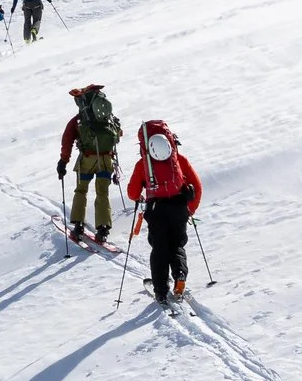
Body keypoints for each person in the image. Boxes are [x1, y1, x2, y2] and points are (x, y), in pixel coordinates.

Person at [125, 119, 203, 302]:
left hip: (156, 210)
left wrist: (141, 195)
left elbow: (132, 193)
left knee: (160, 249)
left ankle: (160, 290)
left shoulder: (143, 164)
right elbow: (197, 186)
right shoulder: (179, 160)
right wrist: (189, 210)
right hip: (179, 208)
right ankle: (180, 276)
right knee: (176, 245)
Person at [54, 83, 122, 242]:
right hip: (106, 159)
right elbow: (118, 133)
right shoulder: (108, 117)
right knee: (102, 193)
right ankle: (103, 229)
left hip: (87, 160)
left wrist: (63, 162)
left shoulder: (78, 120)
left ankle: (78, 226)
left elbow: (67, 141)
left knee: (81, 190)